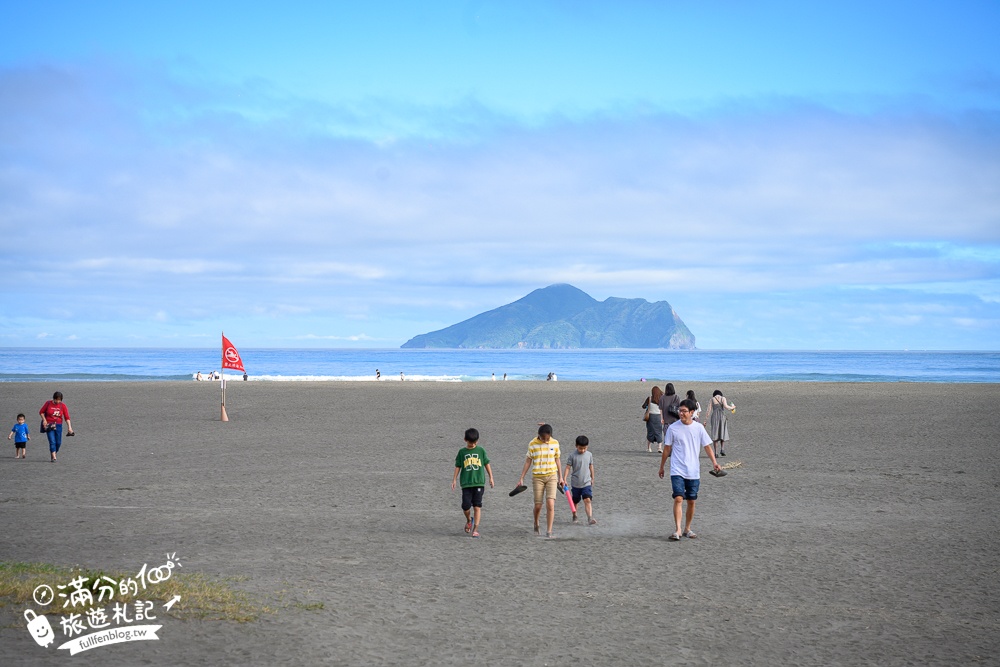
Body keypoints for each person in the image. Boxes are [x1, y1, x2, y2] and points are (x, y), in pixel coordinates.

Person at [658, 399, 721, 540]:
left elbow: (707, 446)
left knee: (691, 500)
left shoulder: (698, 428)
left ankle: (687, 528)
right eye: (680, 411)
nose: (681, 413)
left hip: (693, 470)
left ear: (692, 412)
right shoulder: (673, 428)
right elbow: (667, 449)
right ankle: (678, 530)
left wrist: (714, 463)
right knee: (679, 498)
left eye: (684, 411)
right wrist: (662, 467)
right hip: (677, 469)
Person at [518, 424, 564, 538]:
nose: (545, 441)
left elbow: (557, 460)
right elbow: (528, 461)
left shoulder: (555, 443)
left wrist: (561, 477)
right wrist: (521, 477)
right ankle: (536, 522)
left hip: (552, 476)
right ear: (539, 436)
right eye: (543, 438)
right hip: (537, 477)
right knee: (538, 505)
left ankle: (549, 531)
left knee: (550, 503)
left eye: (547, 439)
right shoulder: (533, 444)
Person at [451, 428, 495, 538]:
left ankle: (475, 528)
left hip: (479, 483)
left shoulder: (481, 450)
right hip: (466, 484)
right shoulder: (462, 452)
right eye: (471, 443)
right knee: (465, 506)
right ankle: (468, 519)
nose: (472, 445)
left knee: (477, 506)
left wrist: (491, 477)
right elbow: (458, 466)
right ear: (465, 440)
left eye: (474, 442)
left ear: (477, 441)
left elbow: (487, 464)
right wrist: (454, 479)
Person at [563, 435, 596, 525]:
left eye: (584, 448)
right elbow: (568, 468)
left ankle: (589, 518)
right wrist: (564, 478)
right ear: (576, 446)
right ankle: (574, 515)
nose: (583, 450)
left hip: (586, 482)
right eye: (580, 448)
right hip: (576, 483)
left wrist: (592, 478)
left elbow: (591, 466)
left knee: (587, 500)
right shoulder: (572, 455)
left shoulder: (589, 455)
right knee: (575, 501)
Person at [39, 391, 74, 463]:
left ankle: (54, 452)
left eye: (59, 400)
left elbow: (67, 417)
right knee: (52, 441)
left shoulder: (63, 406)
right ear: (54, 398)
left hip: (58, 425)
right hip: (49, 424)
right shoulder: (48, 403)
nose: (58, 401)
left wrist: (69, 427)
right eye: (57, 399)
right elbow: (41, 412)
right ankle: (54, 457)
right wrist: (44, 420)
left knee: (58, 443)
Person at [706, 389, 736, 457]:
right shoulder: (723, 398)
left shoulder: (712, 399)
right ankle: (722, 449)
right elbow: (726, 406)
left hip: (714, 417)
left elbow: (708, 410)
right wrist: (732, 407)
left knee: (715, 433)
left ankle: (716, 452)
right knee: (722, 432)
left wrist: (705, 420)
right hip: (722, 416)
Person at [642, 386, 664, 453]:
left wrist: (647, 406)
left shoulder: (649, 398)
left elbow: (643, 406)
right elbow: (662, 409)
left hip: (650, 417)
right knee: (659, 432)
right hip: (658, 417)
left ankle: (649, 448)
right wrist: (662, 418)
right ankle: (659, 447)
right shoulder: (661, 399)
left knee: (650, 431)